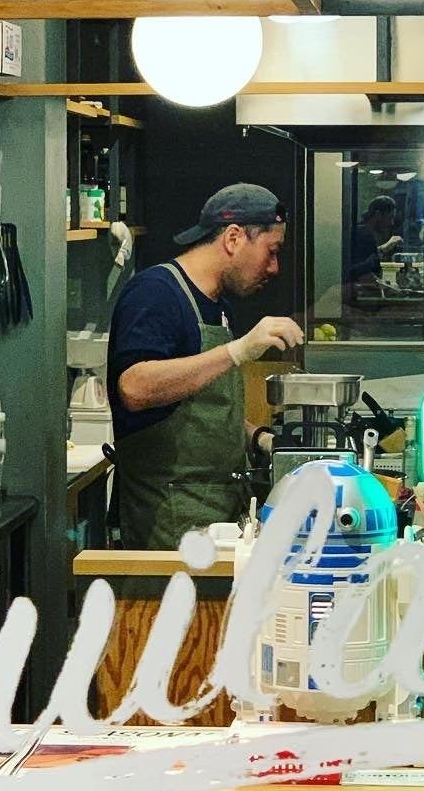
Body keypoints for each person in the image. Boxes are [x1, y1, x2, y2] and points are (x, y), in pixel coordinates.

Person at [108, 183, 303, 549]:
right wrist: (238, 351)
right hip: (167, 525)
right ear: (234, 238)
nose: (274, 267)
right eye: (271, 251)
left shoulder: (217, 306)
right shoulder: (155, 293)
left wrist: (259, 438)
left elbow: (203, 412)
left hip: (216, 517)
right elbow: (134, 387)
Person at [348, 195, 404, 284]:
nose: (391, 223)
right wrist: (388, 288)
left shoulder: (361, 231)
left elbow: (364, 259)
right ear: (378, 214)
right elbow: (364, 275)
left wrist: (383, 248)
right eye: (390, 218)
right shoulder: (364, 234)